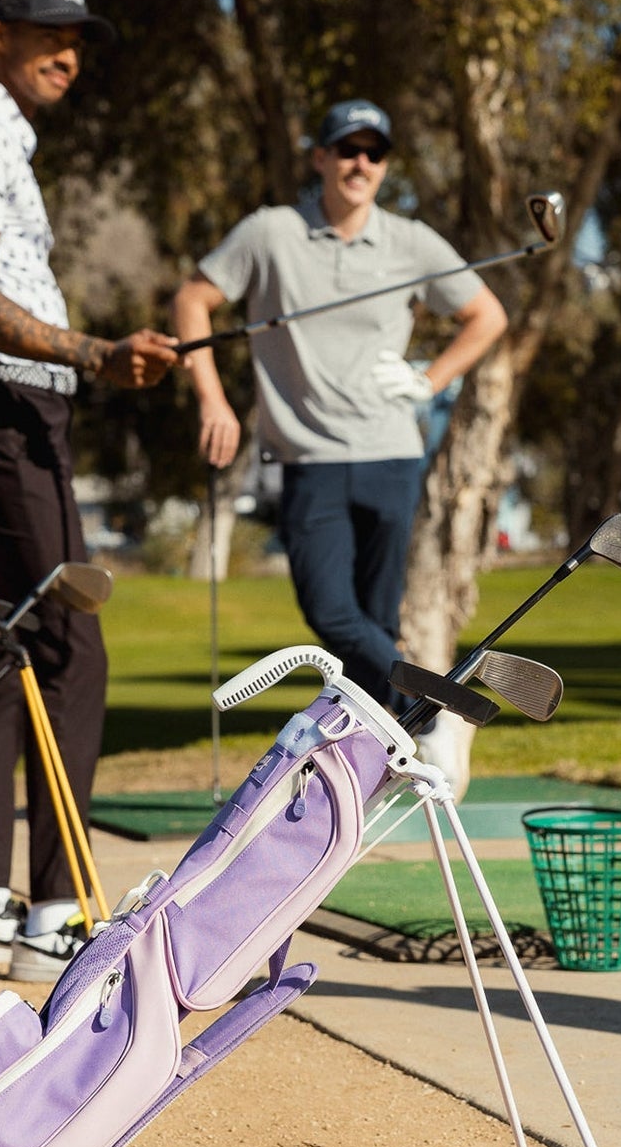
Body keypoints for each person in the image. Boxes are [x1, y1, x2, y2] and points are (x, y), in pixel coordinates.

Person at [0, 0, 177, 981]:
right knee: (71, 644)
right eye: (43, 33)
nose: (66, 51)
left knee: (2, 646)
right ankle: (53, 913)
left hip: (2, 410)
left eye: (76, 37)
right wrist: (94, 353)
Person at [171, 98, 508, 794]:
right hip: (309, 461)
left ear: (384, 166)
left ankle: (362, 779)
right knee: (330, 612)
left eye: (373, 152)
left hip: (390, 455)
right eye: (345, 149)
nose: (359, 162)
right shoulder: (271, 234)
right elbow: (192, 301)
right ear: (319, 158)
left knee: (373, 623)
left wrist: (429, 379)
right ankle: (435, 707)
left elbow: (485, 314)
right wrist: (212, 395)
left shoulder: (409, 242)